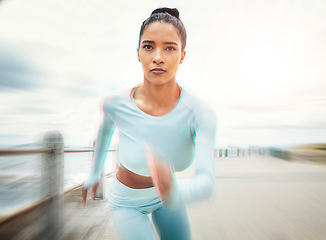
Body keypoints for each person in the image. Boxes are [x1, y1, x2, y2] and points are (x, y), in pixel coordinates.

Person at [82, 7, 217, 240]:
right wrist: (94, 172)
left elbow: (206, 183)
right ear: (138, 53)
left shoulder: (199, 113)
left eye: (169, 48)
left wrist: (174, 193)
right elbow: (104, 130)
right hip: (127, 202)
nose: (158, 57)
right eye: (148, 46)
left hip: (170, 198)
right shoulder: (115, 103)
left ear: (182, 56)